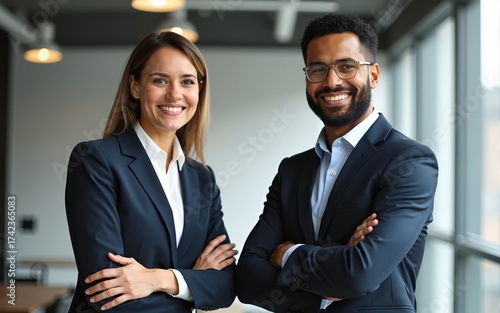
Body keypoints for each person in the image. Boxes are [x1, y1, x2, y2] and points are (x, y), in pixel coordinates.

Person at [236, 13, 438, 313]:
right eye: (318, 69)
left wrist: (289, 253)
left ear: (374, 75)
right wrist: (326, 289)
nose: (331, 82)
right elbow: (248, 279)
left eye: (347, 66)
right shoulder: (292, 170)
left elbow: (360, 274)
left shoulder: (409, 161)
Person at [65, 31, 237, 312]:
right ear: (135, 87)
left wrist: (159, 279)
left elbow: (226, 286)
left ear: (199, 91)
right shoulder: (97, 161)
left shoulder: (202, 178)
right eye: (160, 80)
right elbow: (107, 292)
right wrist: (192, 280)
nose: (175, 94)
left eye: (187, 82)